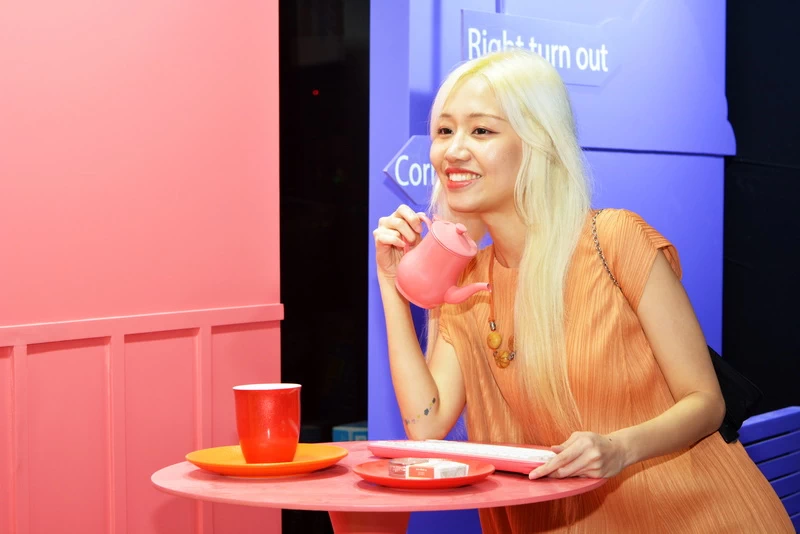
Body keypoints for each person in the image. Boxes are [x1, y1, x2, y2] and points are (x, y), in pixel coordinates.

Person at [372, 49, 793, 533]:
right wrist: (392, 282)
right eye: (445, 131)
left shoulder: (614, 240)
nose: (453, 150)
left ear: (539, 142)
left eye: (482, 130)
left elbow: (705, 401)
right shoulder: (466, 281)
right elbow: (426, 425)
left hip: (694, 517)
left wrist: (619, 448)